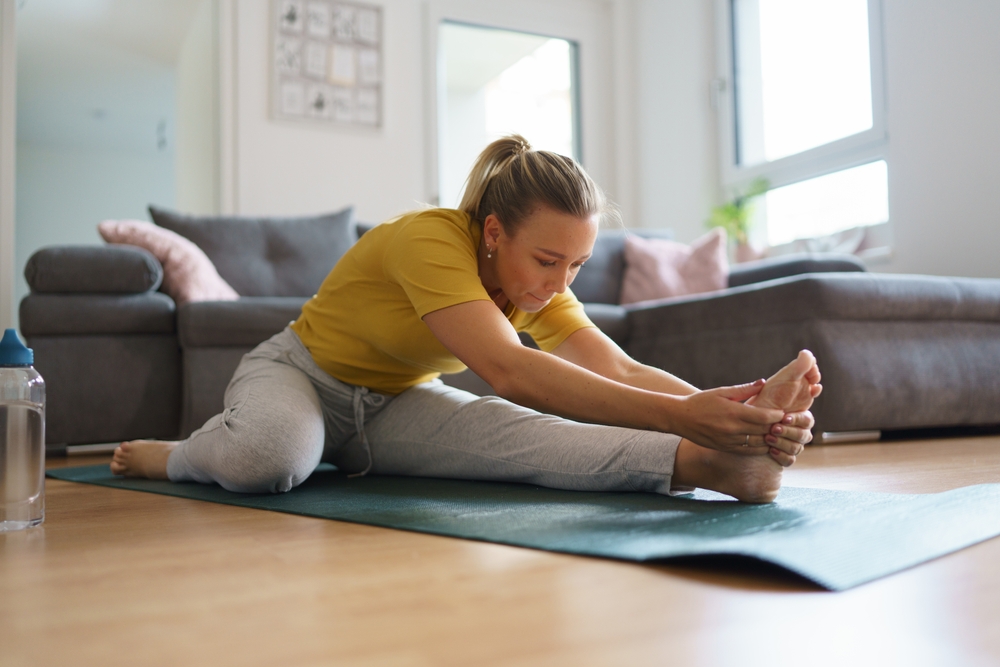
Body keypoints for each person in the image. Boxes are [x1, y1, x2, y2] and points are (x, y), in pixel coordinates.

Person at [112, 135, 821, 503]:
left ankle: (716, 468)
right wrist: (682, 412)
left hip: (394, 405)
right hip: (301, 374)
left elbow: (617, 366)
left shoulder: (539, 283)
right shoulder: (430, 238)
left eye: (575, 266)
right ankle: (175, 455)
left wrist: (729, 413)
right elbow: (509, 368)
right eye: (548, 260)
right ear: (491, 232)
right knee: (275, 458)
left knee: (534, 441)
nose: (559, 282)